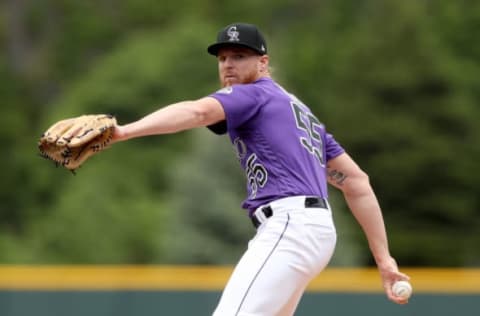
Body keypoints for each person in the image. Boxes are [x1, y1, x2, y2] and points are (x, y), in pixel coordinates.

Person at [112, 22, 410, 315]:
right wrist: (384, 260)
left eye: (239, 56)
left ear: (263, 62)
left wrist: (125, 131)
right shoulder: (298, 112)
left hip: (290, 226)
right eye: (223, 58)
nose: (228, 65)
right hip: (314, 231)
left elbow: (197, 111)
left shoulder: (254, 93)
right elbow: (356, 182)